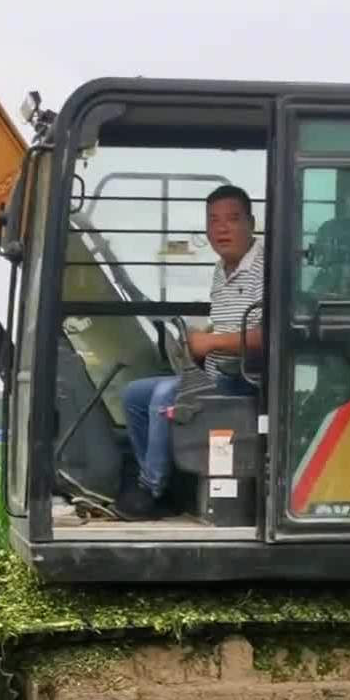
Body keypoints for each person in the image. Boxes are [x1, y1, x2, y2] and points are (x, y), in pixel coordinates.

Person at [119, 183, 265, 518]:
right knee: (134, 395)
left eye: (232, 219)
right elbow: (232, 326)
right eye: (213, 221)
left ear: (251, 223)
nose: (221, 228)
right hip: (218, 371)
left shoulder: (266, 267)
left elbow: (270, 335)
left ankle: (151, 489)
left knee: (166, 396)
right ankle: (165, 485)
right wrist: (198, 340)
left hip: (246, 378)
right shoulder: (221, 269)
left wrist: (211, 342)